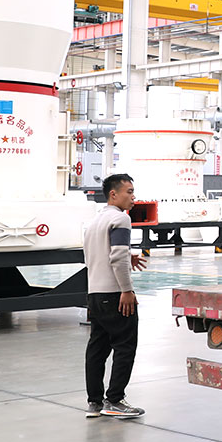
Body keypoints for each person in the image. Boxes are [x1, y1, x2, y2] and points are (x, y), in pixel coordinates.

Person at [83, 173, 148, 419]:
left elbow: (96, 254)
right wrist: (127, 290)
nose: (133, 197)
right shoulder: (121, 218)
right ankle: (115, 400)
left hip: (95, 294)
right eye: (129, 192)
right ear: (114, 194)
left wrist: (127, 256)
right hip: (114, 294)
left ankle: (94, 402)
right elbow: (117, 257)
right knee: (125, 346)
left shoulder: (94, 221)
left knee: (97, 349)